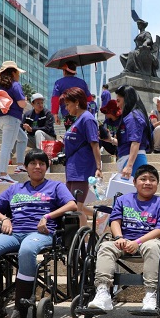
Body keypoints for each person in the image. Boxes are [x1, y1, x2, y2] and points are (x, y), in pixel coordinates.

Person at [0, 149, 77, 318]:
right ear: (26, 167)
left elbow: (72, 204)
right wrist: (4, 219)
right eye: (33, 163)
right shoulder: (15, 188)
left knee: (27, 250)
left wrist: (48, 216)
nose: (37, 167)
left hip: (42, 234)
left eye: (42, 164)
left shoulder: (55, 186)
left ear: (47, 167)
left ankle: (20, 309)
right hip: (15, 233)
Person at [88, 164, 160, 313]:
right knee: (105, 247)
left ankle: (151, 293)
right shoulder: (123, 200)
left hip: (147, 242)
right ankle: (103, 292)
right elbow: (115, 221)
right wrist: (118, 237)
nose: (147, 182)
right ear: (134, 182)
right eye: (143, 179)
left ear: (157, 184)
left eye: (152, 179)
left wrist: (138, 242)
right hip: (123, 240)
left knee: (153, 246)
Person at [61, 87, 102, 228]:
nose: (66, 108)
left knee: (76, 209)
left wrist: (98, 167)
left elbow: (94, 144)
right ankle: (101, 217)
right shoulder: (78, 119)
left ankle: (83, 243)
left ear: (76, 102)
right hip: (72, 169)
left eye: (68, 104)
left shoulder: (87, 119)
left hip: (82, 169)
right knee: (74, 206)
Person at [0, 61, 28, 184]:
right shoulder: (15, 84)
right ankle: (3, 175)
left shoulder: (0, 85)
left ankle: (20, 166)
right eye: (18, 72)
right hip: (12, 118)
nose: (19, 75)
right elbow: (21, 104)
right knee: (7, 146)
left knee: (22, 138)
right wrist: (25, 100)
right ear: (13, 72)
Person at [115, 85, 152, 179]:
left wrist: (129, 166)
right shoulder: (131, 116)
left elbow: (135, 142)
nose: (117, 105)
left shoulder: (133, 117)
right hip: (131, 159)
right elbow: (129, 141)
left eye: (118, 101)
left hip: (134, 160)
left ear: (126, 99)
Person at [51, 61, 92, 128]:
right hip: (82, 114)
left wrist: (55, 114)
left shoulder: (58, 83)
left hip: (67, 114)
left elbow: (55, 99)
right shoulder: (82, 82)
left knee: (71, 134)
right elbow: (89, 99)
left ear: (64, 71)